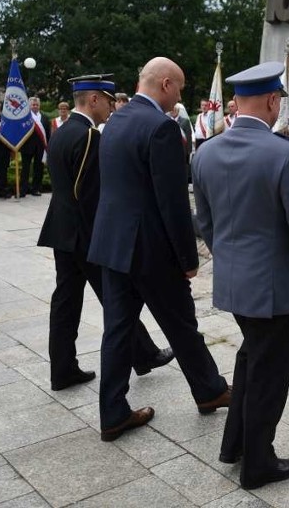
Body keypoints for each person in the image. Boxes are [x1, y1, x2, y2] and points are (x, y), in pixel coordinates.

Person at [193, 61, 289, 490]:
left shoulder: (204, 152)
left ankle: (234, 444)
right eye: (279, 101)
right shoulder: (285, 152)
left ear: (237, 102)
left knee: (251, 357)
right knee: (270, 374)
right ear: (273, 101)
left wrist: (231, 260)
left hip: (234, 282)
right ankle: (259, 462)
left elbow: (206, 223)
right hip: (274, 288)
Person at [88, 57, 229, 442]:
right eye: (180, 87)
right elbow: (173, 204)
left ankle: (113, 412)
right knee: (183, 326)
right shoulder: (161, 128)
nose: (181, 95)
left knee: (118, 331)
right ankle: (211, 390)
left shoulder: (114, 120)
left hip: (113, 246)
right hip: (150, 250)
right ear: (165, 84)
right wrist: (189, 258)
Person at [38, 74, 173, 393]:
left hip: (61, 231)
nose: (113, 108)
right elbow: (90, 195)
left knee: (66, 302)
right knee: (118, 299)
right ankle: (144, 354)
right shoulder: (88, 137)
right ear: (94, 99)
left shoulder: (62, 131)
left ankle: (63, 369)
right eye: (109, 101)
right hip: (85, 237)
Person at [20, 97, 50, 197]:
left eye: (37, 105)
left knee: (39, 169)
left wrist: (48, 147)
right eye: (33, 104)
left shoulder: (45, 118)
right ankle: (22, 189)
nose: (35, 106)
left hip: (41, 147)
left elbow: (48, 133)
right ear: (29, 106)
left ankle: (36, 189)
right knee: (25, 169)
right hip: (27, 147)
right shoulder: (25, 117)